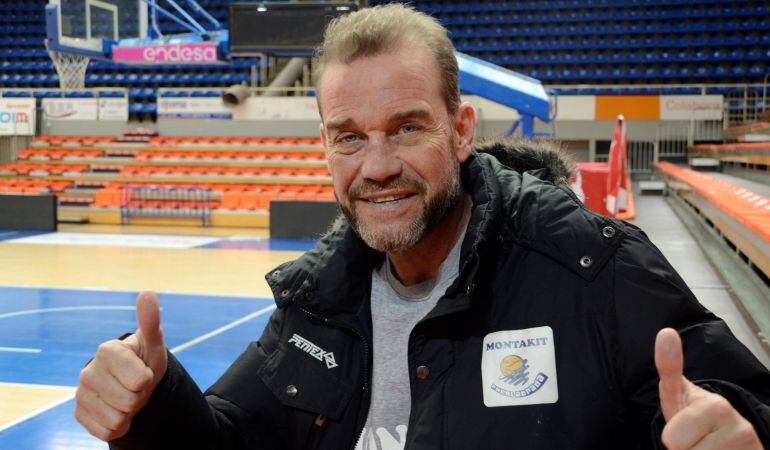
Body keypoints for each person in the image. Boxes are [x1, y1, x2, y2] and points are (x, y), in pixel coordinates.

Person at [74, 4, 770, 450]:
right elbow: (230, 442)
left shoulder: (592, 266)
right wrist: (156, 403)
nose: (377, 166)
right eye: (348, 137)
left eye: (407, 128)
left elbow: (729, 408)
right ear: (323, 146)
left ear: (461, 132)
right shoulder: (318, 300)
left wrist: (745, 433)